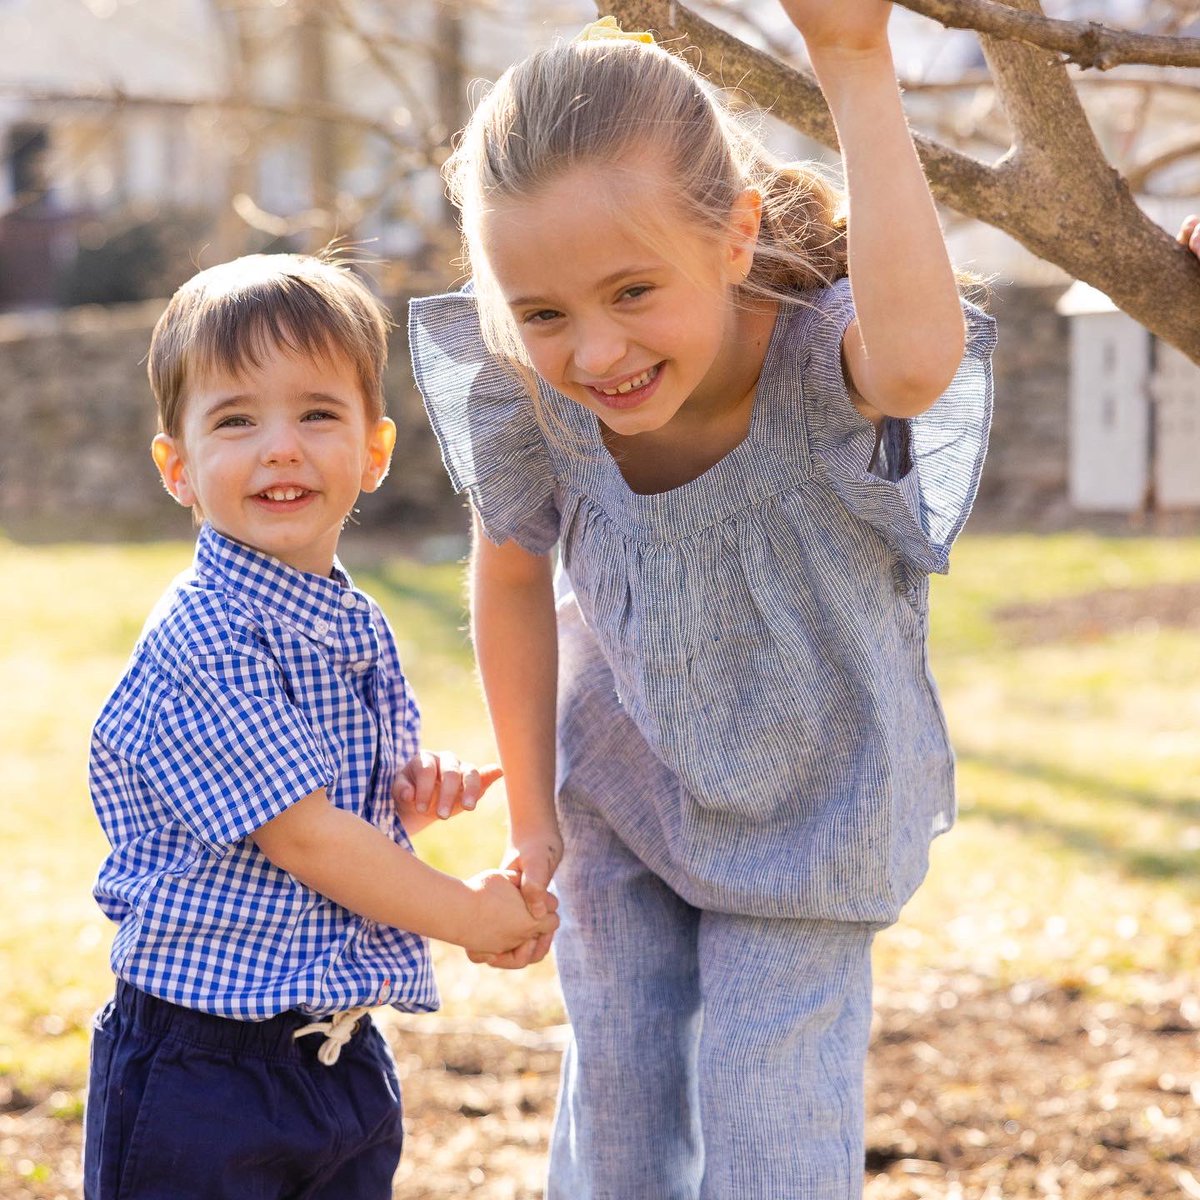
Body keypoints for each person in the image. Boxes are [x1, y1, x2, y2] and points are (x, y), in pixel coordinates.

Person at [410, 2, 997, 1195]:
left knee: (770, 1126)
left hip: (816, 807)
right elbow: (515, 571)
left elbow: (922, 360)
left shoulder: (826, 364)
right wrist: (535, 820)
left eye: (633, 290)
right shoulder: (529, 397)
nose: (592, 351)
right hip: (621, 780)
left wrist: (853, 62)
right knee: (620, 1099)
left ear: (734, 236)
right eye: (542, 313)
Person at [84, 251, 559, 1200]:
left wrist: (404, 811)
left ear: (374, 452)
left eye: (316, 413)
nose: (280, 448)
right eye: (235, 420)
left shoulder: (348, 620)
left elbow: (329, 829)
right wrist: (464, 914)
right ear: (176, 468)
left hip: (333, 1054)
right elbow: (304, 838)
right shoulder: (206, 637)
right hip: (203, 1066)